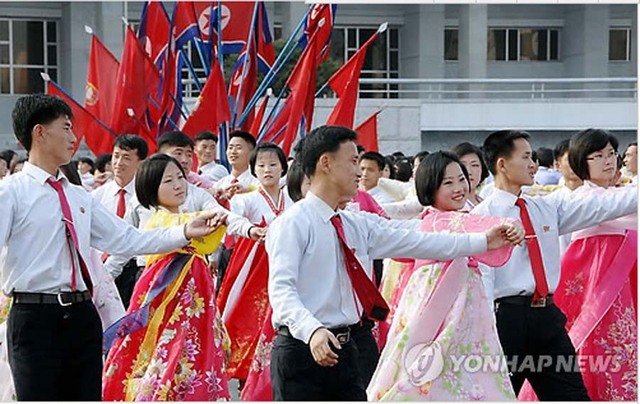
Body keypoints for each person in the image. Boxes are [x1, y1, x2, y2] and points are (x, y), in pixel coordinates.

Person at [266, 125, 521, 401]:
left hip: (348, 348)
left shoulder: (355, 223)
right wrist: (312, 330)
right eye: (353, 162)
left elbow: (421, 240)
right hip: (304, 350)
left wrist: (483, 241)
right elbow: (282, 292)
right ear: (326, 163)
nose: (359, 172)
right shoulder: (292, 224)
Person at [0, 94, 226, 401]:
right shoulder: (11, 193)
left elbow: (128, 239)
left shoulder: (79, 197)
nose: (72, 137)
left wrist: (185, 231)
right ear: (39, 132)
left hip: (81, 314)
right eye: (66, 128)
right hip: (34, 317)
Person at [473, 129, 637, 401]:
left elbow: (609, 204)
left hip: (547, 316)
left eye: (533, 157)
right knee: (499, 396)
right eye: (525, 157)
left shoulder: (547, 207)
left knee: (571, 395)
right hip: (505, 320)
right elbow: (481, 278)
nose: (533, 164)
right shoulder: (481, 217)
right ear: (502, 164)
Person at [368, 151, 519, 400]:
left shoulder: (463, 219)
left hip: (470, 304)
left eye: (461, 179)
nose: (459, 188)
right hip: (436, 300)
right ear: (430, 187)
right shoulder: (432, 223)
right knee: (428, 362)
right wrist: (509, 227)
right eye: (448, 183)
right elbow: (481, 228)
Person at [102, 154, 231, 401]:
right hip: (168, 298)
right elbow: (203, 234)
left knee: (191, 355)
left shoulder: (186, 216)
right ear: (151, 190)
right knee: (168, 355)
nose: (178, 185)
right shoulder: (159, 220)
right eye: (168, 181)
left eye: (180, 177)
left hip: (195, 298)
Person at [552, 129, 636, 400]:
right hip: (596, 276)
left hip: (621, 275)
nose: (608, 160)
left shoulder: (616, 193)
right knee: (596, 340)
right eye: (598, 156)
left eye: (611, 153)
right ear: (581, 163)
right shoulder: (586, 198)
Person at [216, 143, 293, 384]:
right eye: (261, 165)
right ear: (254, 170)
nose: (267, 169)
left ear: (283, 168)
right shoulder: (247, 199)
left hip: (288, 263)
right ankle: (247, 375)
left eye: (273, 164)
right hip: (255, 268)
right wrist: (251, 230)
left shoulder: (293, 196)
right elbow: (231, 219)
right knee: (249, 317)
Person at [92, 134, 149, 308]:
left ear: (140, 163)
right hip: (101, 268)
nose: (118, 163)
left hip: (133, 269)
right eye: (116, 156)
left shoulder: (146, 196)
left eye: (126, 158)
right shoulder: (97, 196)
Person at [452, 142, 489, 210]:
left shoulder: (485, 203)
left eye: (474, 165)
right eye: (462, 165)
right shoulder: (452, 206)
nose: (469, 171)